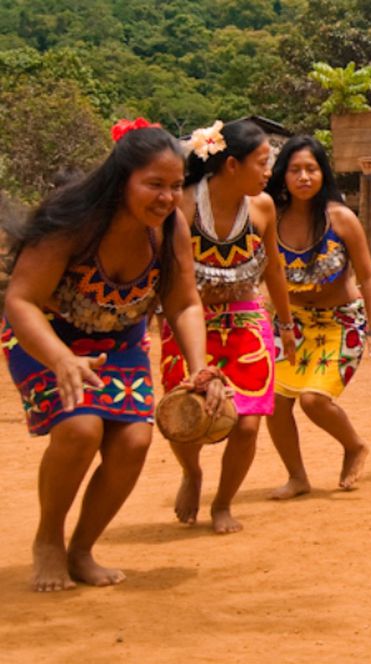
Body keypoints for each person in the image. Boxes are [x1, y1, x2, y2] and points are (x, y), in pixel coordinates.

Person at [2, 119, 224, 591]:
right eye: (154, 185)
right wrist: (62, 360)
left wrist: (198, 366)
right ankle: (48, 540)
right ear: (121, 178)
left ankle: (81, 549)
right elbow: (20, 301)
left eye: (175, 186)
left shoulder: (170, 228)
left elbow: (183, 301)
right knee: (81, 428)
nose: (167, 197)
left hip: (120, 341)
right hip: (45, 336)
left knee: (134, 443)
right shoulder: (73, 220)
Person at [160, 119, 296, 532]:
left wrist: (286, 325)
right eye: (262, 163)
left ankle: (222, 504)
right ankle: (192, 473)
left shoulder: (263, 208)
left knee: (249, 422)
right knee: (184, 412)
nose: (269, 172)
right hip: (190, 322)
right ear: (232, 164)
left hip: (247, 322)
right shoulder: (181, 205)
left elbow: (273, 268)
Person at [263, 136, 371, 498]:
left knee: (313, 400)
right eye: (295, 170)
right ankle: (297, 477)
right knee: (273, 403)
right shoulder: (268, 219)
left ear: (323, 173)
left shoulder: (341, 219)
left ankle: (353, 445)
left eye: (312, 168)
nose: (304, 177)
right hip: (292, 325)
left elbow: (368, 275)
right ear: (283, 175)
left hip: (341, 323)